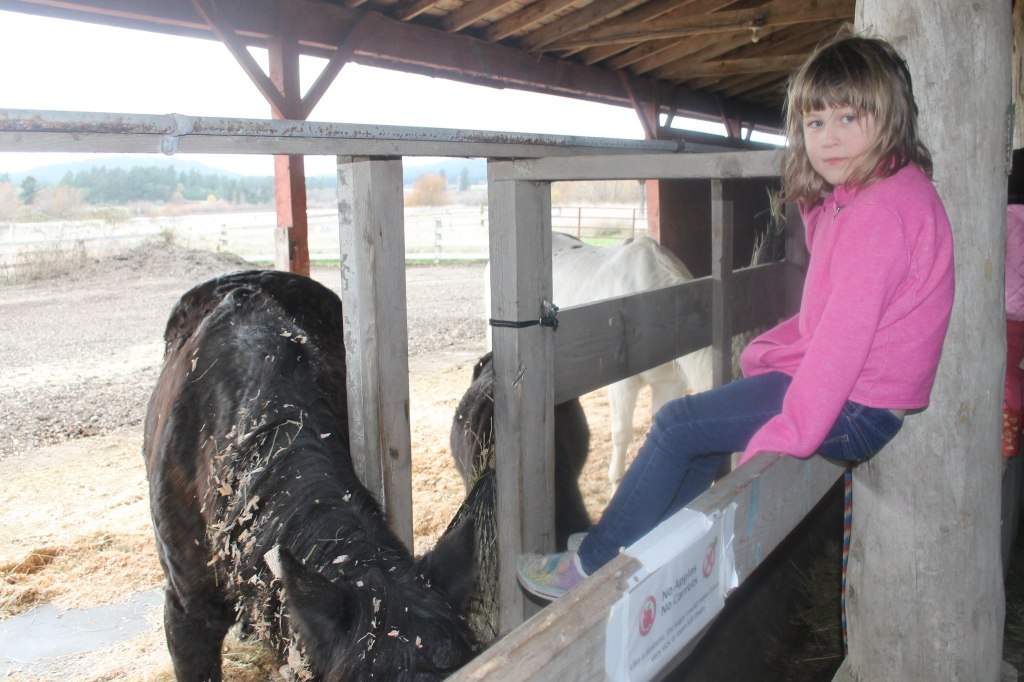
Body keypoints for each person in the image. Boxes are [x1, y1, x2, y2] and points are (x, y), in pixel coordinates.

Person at [517, 28, 956, 601]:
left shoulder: (876, 215)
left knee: (676, 426)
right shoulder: (888, 192)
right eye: (814, 123)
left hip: (852, 407)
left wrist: (787, 434)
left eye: (848, 118)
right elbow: (838, 307)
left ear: (890, 117)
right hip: (870, 400)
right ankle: (654, 551)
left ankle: (592, 566)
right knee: (698, 435)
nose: (828, 139)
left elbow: (841, 343)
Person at [1005, 204, 1024, 458]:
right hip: (1017, 317)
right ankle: (1009, 445)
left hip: (1006, 315)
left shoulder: (1007, 219)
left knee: (1007, 377)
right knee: (1012, 376)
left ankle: (1006, 448)